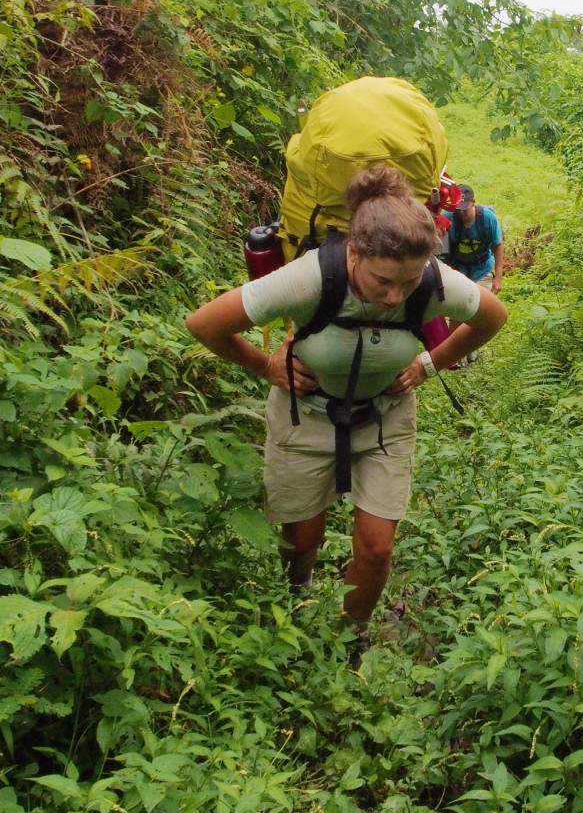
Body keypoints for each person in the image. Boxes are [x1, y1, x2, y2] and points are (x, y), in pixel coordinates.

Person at [185, 165, 508, 653]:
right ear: (354, 253)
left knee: (377, 548)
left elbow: (492, 317)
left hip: (385, 415)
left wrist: (430, 363)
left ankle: (348, 638)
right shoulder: (312, 277)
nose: (395, 296)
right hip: (306, 413)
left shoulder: (433, 280)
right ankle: (298, 603)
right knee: (302, 539)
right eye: (382, 281)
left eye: (409, 281)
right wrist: (266, 367)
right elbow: (206, 323)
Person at [443, 184, 504, 295]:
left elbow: (498, 245)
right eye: (458, 208)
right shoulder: (447, 218)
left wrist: (498, 278)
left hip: (482, 269)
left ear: (473, 201)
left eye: (464, 208)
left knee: (480, 304)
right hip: (456, 269)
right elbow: (442, 250)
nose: (461, 212)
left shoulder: (488, 218)